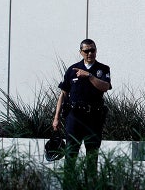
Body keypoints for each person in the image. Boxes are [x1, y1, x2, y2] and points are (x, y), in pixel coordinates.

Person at [52, 39, 111, 187]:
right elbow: (63, 94)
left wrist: (89, 76)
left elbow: (105, 87)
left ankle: (90, 186)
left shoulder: (102, 69)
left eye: (92, 50)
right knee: (71, 154)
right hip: (75, 117)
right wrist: (56, 117)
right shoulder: (72, 69)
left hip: (94, 117)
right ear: (81, 52)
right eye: (86, 51)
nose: (90, 53)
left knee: (92, 156)